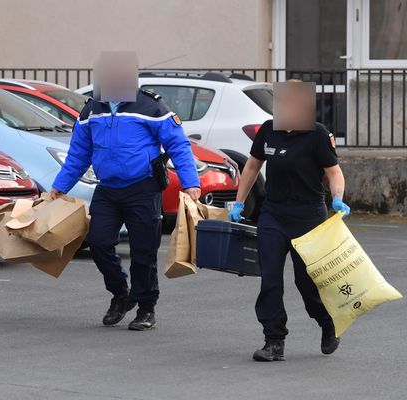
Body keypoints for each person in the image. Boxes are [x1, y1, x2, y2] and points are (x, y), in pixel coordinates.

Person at [51, 89, 200, 331]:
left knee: (143, 253)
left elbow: (178, 144)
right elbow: (79, 154)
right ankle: (121, 293)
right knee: (98, 244)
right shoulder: (91, 110)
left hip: (143, 188)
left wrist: (191, 181)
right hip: (108, 189)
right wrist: (60, 187)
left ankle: (146, 308)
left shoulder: (151, 106)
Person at [229, 82, 350, 361]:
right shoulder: (268, 130)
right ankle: (274, 340)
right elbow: (252, 165)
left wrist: (337, 198)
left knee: (306, 282)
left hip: (308, 215)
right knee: (270, 279)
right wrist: (238, 202)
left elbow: (334, 173)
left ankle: (327, 321)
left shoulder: (317, 134)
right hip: (273, 213)